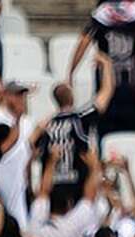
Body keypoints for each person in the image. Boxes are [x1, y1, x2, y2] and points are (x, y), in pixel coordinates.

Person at [69, 0, 135, 137]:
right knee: (132, 131)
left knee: (106, 130)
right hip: (129, 80)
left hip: (109, 83)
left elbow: (85, 40)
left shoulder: (103, 11)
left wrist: (71, 72)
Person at [40, 55, 114, 200]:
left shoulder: (47, 126)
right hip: (80, 186)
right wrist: (106, 65)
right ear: (72, 96)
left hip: (55, 190)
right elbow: (106, 92)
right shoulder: (80, 118)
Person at [29, 147, 105, 237]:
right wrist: (95, 166)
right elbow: (90, 195)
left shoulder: (36, 224)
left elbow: (43, 192)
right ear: (69, 205)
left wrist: (51, 162)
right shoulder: (74, 223)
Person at [0, 81, 46, 230]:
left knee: (21, 225)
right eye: (17, 94)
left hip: (21, 180)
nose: (21, 98)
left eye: (23, 95)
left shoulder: (27, 121)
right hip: (1, 175)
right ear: (6, 95)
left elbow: (29, 152)